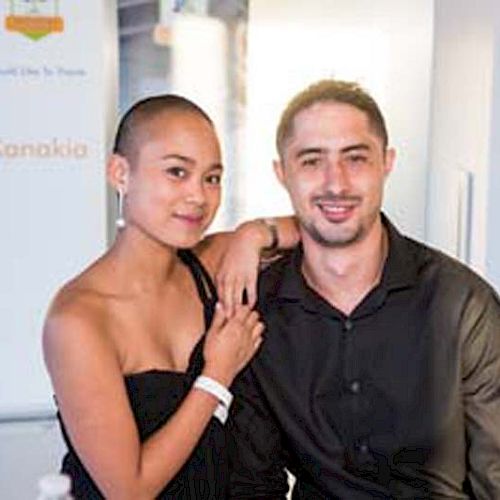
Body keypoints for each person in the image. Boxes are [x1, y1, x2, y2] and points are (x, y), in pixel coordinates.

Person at [227, 79, 500, 499]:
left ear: (386, 163)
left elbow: (495, 475)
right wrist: (253, 232)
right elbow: (252, 485)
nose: (336, 183)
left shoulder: (462, 304)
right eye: (312, 161)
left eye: (355, 158)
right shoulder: (257, 313)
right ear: (282, 173)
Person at [42, 94, 298, 499]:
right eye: (177, 172)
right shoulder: (78, 319)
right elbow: (129, 490)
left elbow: (323, 228)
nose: (198, 195)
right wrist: (216, 377)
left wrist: (254, 233)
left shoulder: (212, 263)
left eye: (212, 178)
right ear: (120, 172)